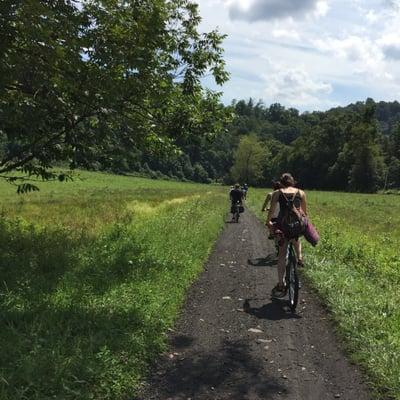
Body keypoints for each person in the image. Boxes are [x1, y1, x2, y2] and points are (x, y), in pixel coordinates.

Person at [265, 173, 307, 298]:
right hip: (296, 225)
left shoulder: (277, 193)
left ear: (281, 183)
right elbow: (305, 212)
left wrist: (268, 223)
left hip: (283, 226)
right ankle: (299, 257)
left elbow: (272, 211)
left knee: (282, 254)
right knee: (296, 239)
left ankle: (281, 283)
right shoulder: (301, 192)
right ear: (293, 182)